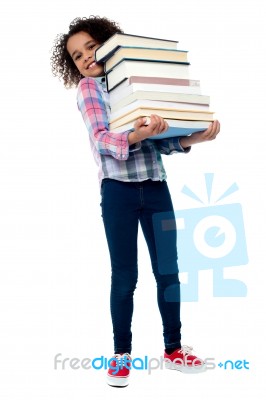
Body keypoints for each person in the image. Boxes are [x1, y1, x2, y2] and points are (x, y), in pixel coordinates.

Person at [51, 15, 220, 387]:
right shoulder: (89, 89)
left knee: (168, 271)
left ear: (110, 42)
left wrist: (195, 138)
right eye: (77, 56)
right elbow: (101, 139)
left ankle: (174, 349)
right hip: (118, 192)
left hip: (156, 187)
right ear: (74, 66)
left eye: (91, 47)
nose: (86, 57)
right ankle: (121, 355)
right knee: (125, 276)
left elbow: (160, 141)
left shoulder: (136, 81)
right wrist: (133, 135)